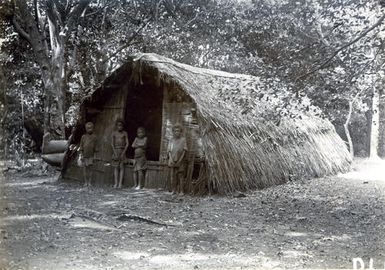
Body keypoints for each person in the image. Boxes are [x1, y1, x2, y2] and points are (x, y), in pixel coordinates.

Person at [167, 124, 188, 194]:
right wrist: (171, 159)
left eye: (178, 131)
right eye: (175, 131)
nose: (177, 132)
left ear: (181, 132)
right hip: (172, 160)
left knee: (180, 176)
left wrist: (180, 160)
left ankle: (181, 191)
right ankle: (174, 190)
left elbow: (184, 151)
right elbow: (169, 151)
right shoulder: (171, 140)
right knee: (173, 176)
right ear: (173, 132)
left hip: (180, 160)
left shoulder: (183, 140)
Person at [79, 122, 98, 187]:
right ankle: (85, 182)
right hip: (84, 155)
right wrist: (81, 155)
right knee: (85, 169)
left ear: (93, 128)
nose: (89, 129)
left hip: (91, 156)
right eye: (88, 128)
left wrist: (95, 156)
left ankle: (89, 182)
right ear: (86, 129)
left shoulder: (95, 137)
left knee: (90, 169)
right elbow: (81, 147)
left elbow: (96, 148)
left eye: (91, 128)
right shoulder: (83, 137)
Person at [111, 119, 129, 188]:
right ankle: (116, 183)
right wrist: (115, 152)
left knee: (121, 167)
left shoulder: (125, 133)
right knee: (116, 167)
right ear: (116, 126)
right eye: (118, 126)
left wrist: (123, 152)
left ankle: (120, 184)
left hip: (122, 151)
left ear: (123, 126)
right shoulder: (114, 133)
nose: (120, 127)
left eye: (121, 126)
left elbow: (127, 143)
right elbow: (112, 144)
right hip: (116, 151)